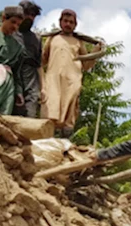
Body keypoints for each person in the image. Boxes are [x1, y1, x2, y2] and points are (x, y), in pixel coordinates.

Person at [41, 9, 100, 137]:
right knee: (51, 108)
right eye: (65, 21)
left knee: (70, 110)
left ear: (75, 25)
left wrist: (96, 50)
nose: (68, 24)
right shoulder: (52, 38)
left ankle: (65, 140)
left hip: (72, 81)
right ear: (60, 22)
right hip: (53, 80)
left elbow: (86, 65)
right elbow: (42, 60)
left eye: (71, 22)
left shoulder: (78, 42)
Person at [12, 1, 43, 117]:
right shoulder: (10, 34)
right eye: (27, 13)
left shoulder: (37, 39)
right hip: (13, 74)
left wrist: (43, 88)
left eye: (33, 15)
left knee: (31, 110)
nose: (30, 17)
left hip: (31, 78)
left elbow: (39, 65)